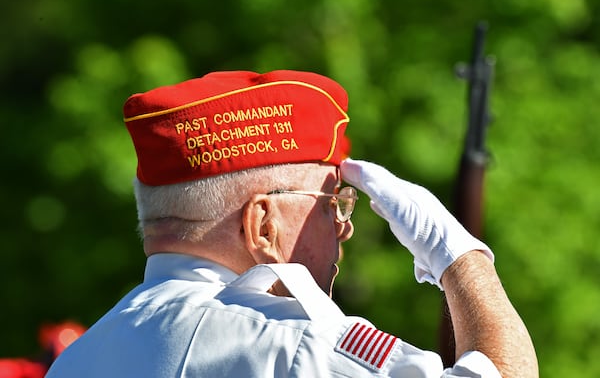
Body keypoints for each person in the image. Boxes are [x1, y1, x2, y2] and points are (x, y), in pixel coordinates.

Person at [46, 70, 538, 377]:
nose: (345, 226)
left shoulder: (77, 359)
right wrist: (461, 257)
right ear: (262, 224)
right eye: (330, 202)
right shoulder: (296, 348)